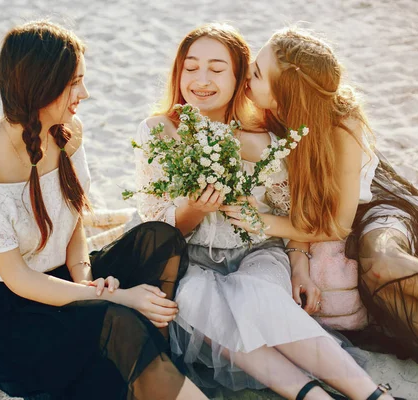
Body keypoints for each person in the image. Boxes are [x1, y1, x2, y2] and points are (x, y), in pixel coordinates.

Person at [135, 23, 398, 400]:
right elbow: (154, 221)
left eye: (217, 68)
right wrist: (193, 209)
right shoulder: (159, 132)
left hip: (258, 251)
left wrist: (299, 262)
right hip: (191, 259)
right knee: (193, 300)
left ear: (241, 77)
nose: (201, 80)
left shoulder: (266, 139)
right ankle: (311, 396)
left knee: (256, 296)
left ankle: (370, 394)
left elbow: (295, 212)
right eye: (190, 68)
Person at [0, 20, 208, 399]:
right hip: (17, 308)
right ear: (40, 83)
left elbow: (71, 221)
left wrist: (86, 276)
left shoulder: (69, 130)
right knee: (120, 317)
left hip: (69, 279)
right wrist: (116, 296)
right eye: (75, 82)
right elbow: (20, 279)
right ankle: (154, 376)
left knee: (162, 239)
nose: (84, 93)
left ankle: (153, 365)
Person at [221, 26, 418, 386]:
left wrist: (257, 221)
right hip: (329, 222)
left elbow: (338, 227)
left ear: (286, 93)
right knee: (395, 301)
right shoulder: (273, 123)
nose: (246, 75)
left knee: (382, 262)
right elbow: (298, 209)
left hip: (376, 207)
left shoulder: (342, 123)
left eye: (256, 72)